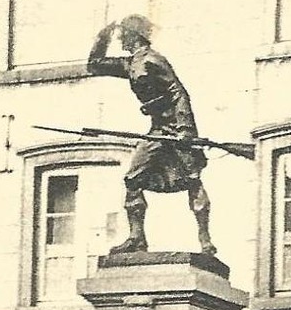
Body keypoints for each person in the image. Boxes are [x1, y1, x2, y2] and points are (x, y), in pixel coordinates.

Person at [86, 15, 215, 255]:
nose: (120, 38)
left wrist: (186, 129)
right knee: (134, 178)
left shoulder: (154, 60)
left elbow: (178, 92)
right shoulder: (131, 64)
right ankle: (137, 238)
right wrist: (102, 36)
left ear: (134, 35)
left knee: (192, 178)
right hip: (157, 128)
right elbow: (94, 65)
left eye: (122, 34)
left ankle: (205, 240)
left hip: (176, 127)